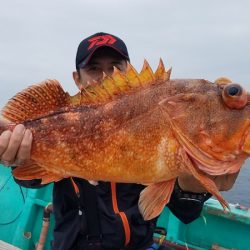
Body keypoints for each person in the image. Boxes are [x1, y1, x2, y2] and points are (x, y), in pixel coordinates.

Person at [0, 32, 239, 250]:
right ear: (77, 78)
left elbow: (185, 211)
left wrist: (193, 189)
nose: (105, 75)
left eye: (115, 66)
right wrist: (13, 156)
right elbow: (32, 180)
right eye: (94, 68)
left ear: (128, 70)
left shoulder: (164, 120)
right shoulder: (62, 117)